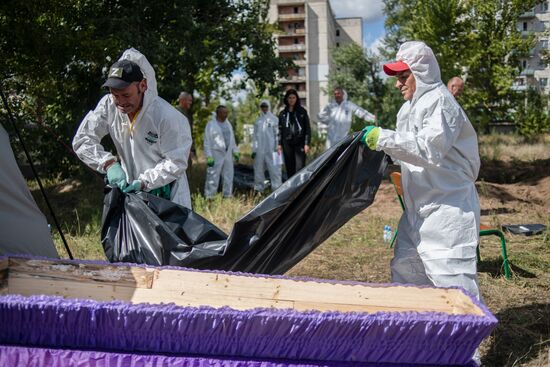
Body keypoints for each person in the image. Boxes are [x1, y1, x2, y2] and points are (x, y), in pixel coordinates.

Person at [361, 41, 482, 303]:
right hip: (417, 211)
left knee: (453, 286)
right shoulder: (408, 109)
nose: (397, 84)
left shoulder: (441, 102)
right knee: (406, 274)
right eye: (396, 77)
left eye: (403, 76)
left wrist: (383, 138)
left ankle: (467, 344)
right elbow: (404, 150)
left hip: (448, 209)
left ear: (423, 73)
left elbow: (429, 149)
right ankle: (420, 340)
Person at [73, 48, 192, 208]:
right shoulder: (109, 106)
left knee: (165, 233)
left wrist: (144, 182)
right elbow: (82, 140)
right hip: (131, 194)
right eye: (115, 95)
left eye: (126, 95)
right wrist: (109, 164)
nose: (120, 102)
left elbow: (176, 161)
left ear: (142, 86)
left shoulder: (167, 116)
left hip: (167, 197)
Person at [204, 105, 239, 198]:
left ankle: (227, 195)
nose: (226, 115)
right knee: (213, 175)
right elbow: (206, 142)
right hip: (216, 153)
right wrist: (209, 156)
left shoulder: (228, 124)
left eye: (227, 112)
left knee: (228, 175)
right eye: (224, 112)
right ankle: (209, 196)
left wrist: (235, 151)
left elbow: (232, 139)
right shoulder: (211, 125)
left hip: (228, 154)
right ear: (218, 113)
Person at [278, 89, 311, 177]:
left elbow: (307, 128)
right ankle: (292, 189)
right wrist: (279, 144)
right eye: (290, 98)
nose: (291, 100)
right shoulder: (282, 113)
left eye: (293, 97)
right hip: (287, 144)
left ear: (296, 99)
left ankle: (301, 188)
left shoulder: (302, 112)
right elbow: (280, 130)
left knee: (300, 168)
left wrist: (307, 143)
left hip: (299, 143)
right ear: (286, 99)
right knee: (290, 168)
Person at [252, 100, 282, 192]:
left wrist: (278, 146)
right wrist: (254, 149)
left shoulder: (275, 119)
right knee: (258, 169)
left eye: (266, 106)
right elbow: (254, 137)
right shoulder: (258, 121)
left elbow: (278, 134)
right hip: (260, 150)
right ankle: (259, 189)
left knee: (276, 170)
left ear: (269, 107)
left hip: (274, 150)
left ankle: (277, 189)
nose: (264, 108)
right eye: (262, 106)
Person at [176, 91, 196, 170]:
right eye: (189, 100)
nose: (191, 103)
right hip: (179, 153)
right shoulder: (176, 112)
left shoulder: (185, 113)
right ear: (182, 100)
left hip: (185, 152)